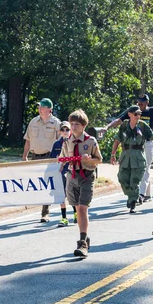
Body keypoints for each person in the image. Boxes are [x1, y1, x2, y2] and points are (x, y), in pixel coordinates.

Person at [59, 110, 103, 258]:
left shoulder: (90, 141)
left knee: (83, 208)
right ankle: (85, 236)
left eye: (77, 124)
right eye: (71, 124)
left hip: (86, 176)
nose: (73, 126)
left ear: (84, 125)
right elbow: (62, 159)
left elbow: (99, 160)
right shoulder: (67, 141)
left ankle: (82, 243)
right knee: (78, 210)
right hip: (72, 176)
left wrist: (88, 159)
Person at [110, 105, 153, 213]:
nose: (138, 116)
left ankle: (132, 201)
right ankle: (132, 196)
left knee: (135, 181)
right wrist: (113, 155)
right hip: (125, 155)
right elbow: (117, 140)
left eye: (140, 114)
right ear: (129, 114)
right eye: (136, 114)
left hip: (138, 156)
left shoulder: (142, 125)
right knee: (122, 178)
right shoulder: (124, 125)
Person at [22, 98, 61, 223]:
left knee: (46, 184)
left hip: (49, 157)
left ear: (50, 109)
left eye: (42, 107)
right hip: (35, 157)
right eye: (39, 107)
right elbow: (28, 140)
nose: (40, 109)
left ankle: (45, 212)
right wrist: (24, 156)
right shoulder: (33, 122)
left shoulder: (56, 123)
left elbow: (62, 142)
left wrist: (59, 158)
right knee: (36, 184)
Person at [50, 121, 76, 227]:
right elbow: (51, 160)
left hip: (72, 171)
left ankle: (76, 213)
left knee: (72, 195)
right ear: (60, 132)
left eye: (67, 129)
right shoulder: (56, 144)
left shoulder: (74, 142)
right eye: (62, 130)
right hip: (60, 172)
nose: (65, 132)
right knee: (61, 196)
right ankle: (64, 218)